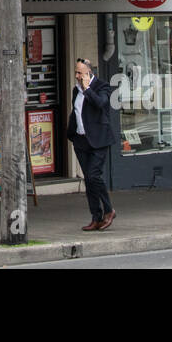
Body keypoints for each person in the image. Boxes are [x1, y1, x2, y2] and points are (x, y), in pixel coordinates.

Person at [67, 58, 116, 231]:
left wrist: (87, 88)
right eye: (76, 72)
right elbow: (76, 112)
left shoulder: (102, 86)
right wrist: (71, 133)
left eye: (80, 72)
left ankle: (109, 211)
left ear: (89, 73)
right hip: (81, 140)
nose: (77, 75)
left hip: (99, 139)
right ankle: (96, 216)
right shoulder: (76, 90)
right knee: (89, 179)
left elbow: (101, 104)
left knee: (95, 175)